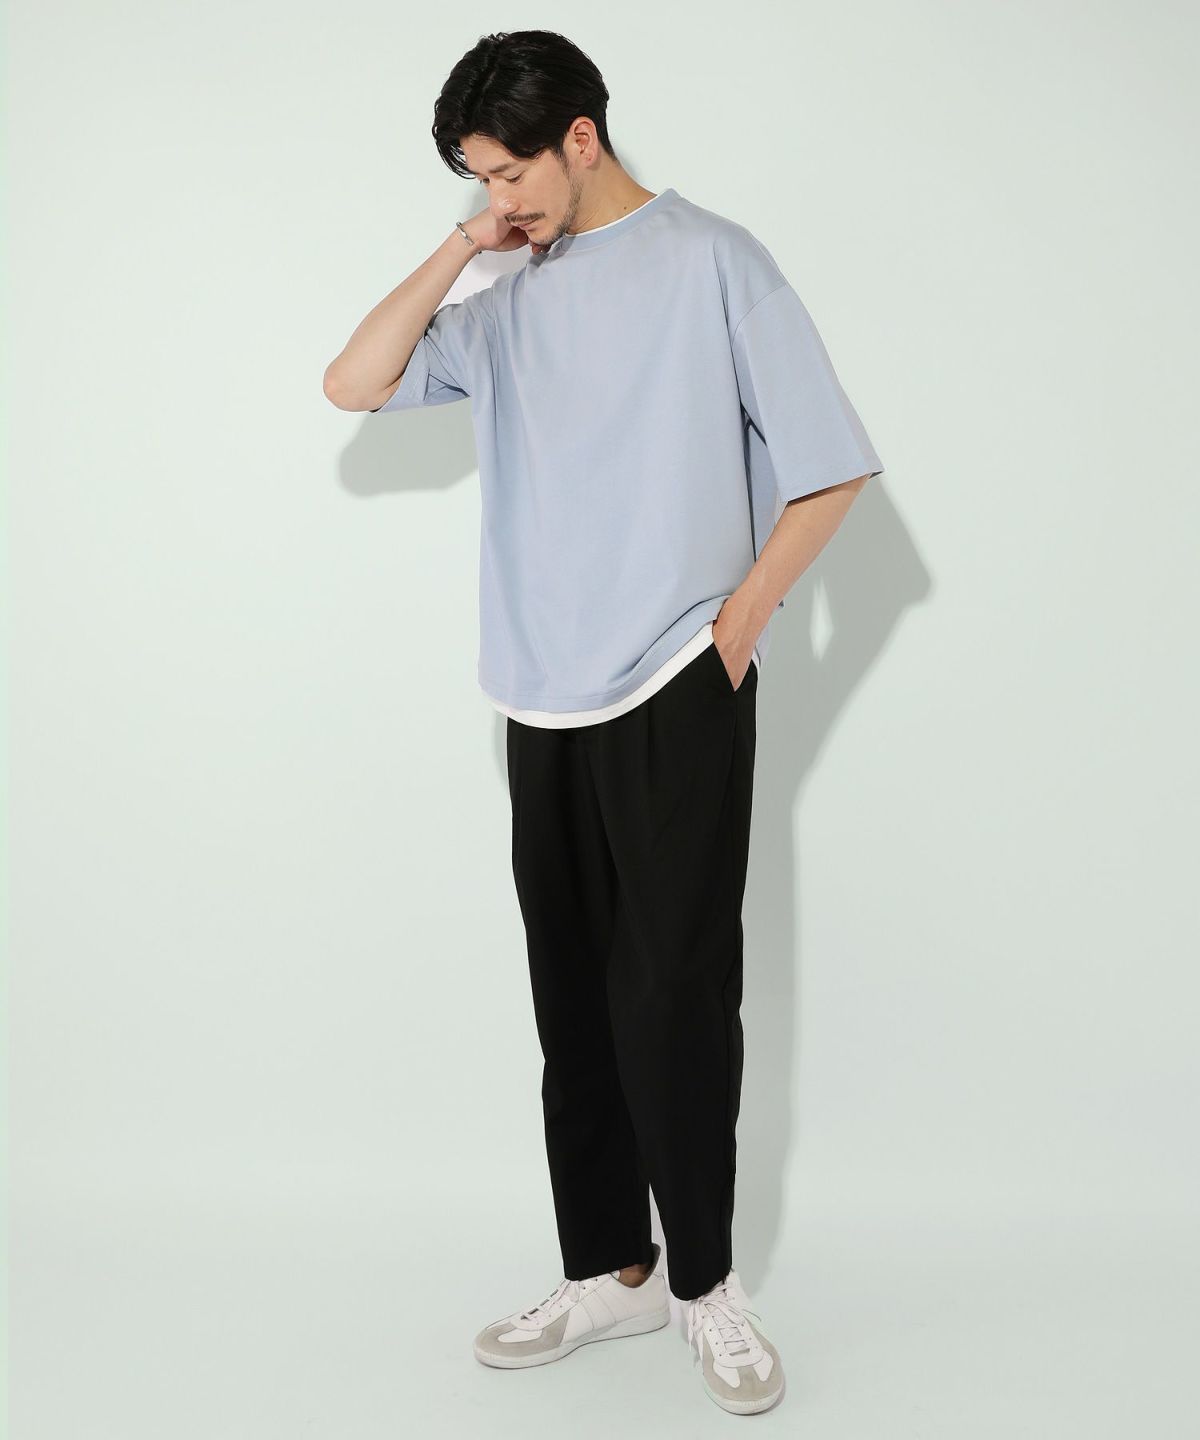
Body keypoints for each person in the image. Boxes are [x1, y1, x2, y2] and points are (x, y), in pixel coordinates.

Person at [323, 28, 884, 1418]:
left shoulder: (716, 261)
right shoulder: (502, 288)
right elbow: (354, 382)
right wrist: (466, 248)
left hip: (674, 678)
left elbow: (828, 468)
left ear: (583, 137)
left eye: (509, 172)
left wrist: (735, 630)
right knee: (571, 994)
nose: (497, 197)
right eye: (476, 179)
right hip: (537, 687)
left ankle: (707, 1285)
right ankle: (609, 1271)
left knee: (675, 990)